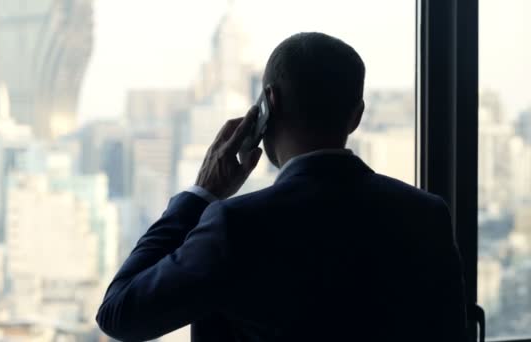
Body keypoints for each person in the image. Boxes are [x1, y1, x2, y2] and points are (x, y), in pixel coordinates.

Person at [96, 32, 468, 342]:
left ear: (268, 105)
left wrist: (200, 196)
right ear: (356, 116)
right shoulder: (427, 215)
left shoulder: (236, 225)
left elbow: (120, 314)